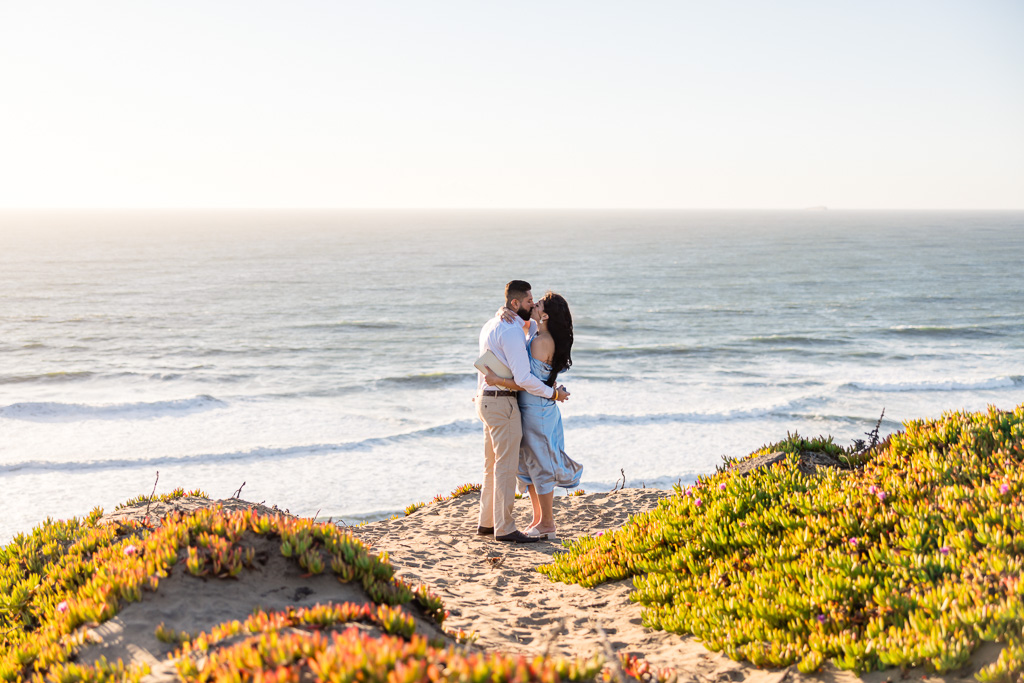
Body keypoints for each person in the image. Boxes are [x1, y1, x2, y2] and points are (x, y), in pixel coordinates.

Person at [475, 280, 569, 543]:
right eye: (529, 301)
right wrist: (554, 393)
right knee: (505, 467)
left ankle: (487, 523)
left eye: (535, 302)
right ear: (515, 303)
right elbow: (525, 378)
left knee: (492, 465)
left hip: (486, 400)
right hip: (503, 402)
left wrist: (500, 311)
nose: (533, 303)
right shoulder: (513, 330)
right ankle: (503, 528)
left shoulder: (493, 324)